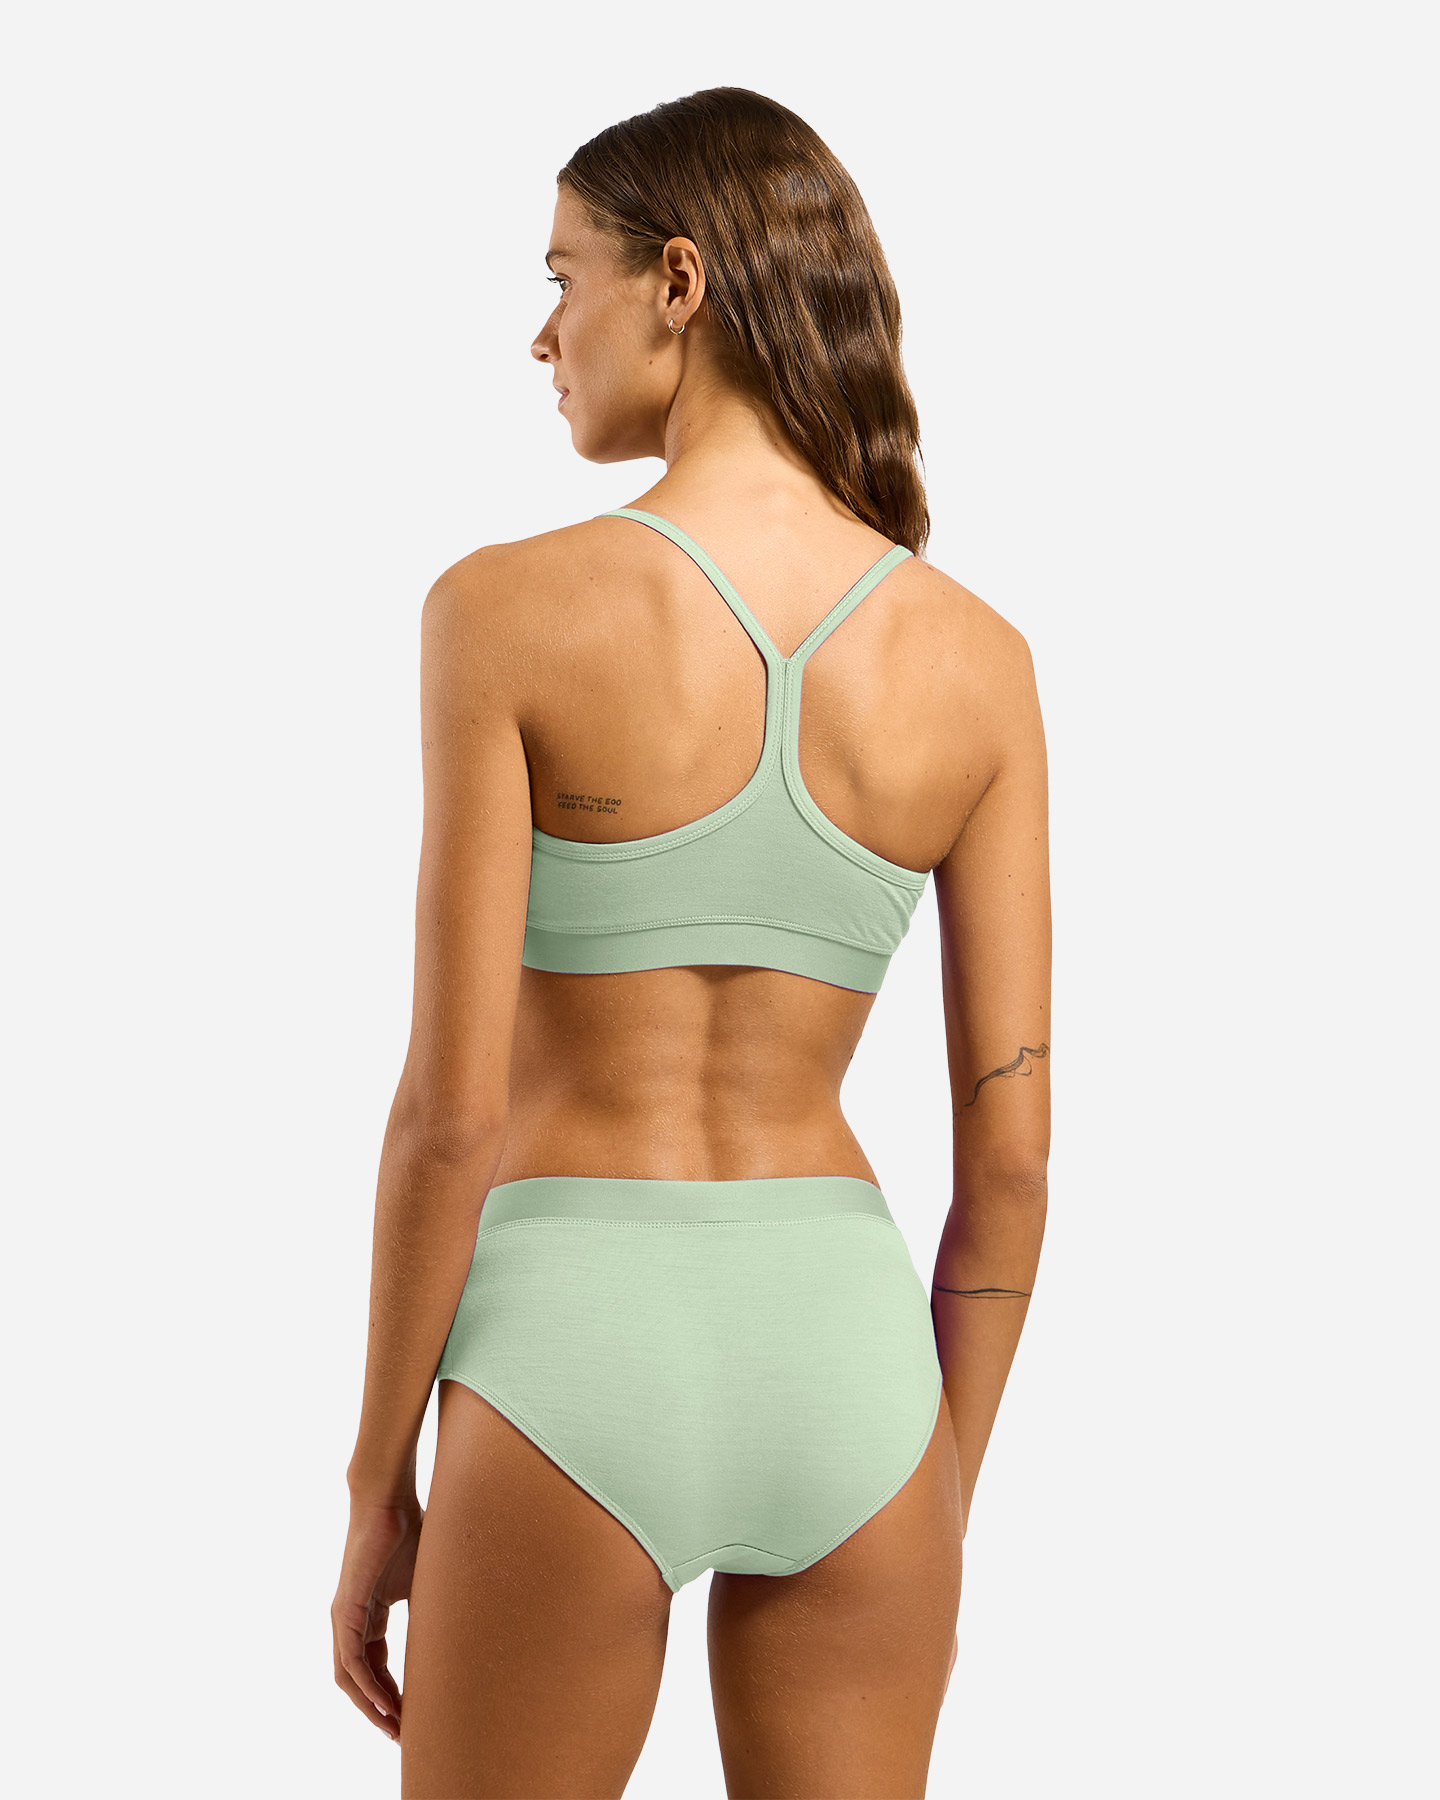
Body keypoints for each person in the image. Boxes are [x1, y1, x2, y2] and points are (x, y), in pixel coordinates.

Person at [331, 85, 1050, 1799]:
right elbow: (1015, 1165)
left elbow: (449, 1117)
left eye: (560, 276)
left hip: (574, 1342)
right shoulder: (980, 663)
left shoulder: (504, 611)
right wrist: (934, 1483)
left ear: (677, 280)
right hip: (851, 1355)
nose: (541, 333)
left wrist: (376, 1485)